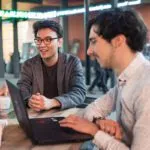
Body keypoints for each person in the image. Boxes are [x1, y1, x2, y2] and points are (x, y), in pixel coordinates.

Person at [59, 8, 150, 150]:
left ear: (118, 41)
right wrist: (99, 120)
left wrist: (95, 131)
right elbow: (93, 108)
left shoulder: (146, 87)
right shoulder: (126, 79)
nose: (89, 51)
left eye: (94, 41)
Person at [17, 20, 86, 112]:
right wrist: (29, 101)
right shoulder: (29, 65)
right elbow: (21, 88)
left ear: (59, 42)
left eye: (48, 39)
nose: (42, 45)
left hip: (64, 114)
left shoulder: (72, 62)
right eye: (38, 40)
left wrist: (52, 102)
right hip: (38, 115)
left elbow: (79, 92)